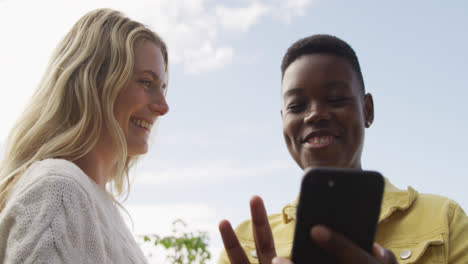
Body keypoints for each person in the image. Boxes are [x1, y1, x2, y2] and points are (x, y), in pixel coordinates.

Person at [218, 35, 468, 264]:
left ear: (367, 110)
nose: (315, 114)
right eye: (297, 106)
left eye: (336, 99)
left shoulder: (443, 220)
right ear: (283, 120)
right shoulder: (244, 245)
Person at [0, 8, 169, 263]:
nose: (163, 107)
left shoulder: (95, 203)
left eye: (163, 88)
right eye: (146, 82)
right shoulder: (57, 188)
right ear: (93, 81)